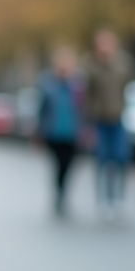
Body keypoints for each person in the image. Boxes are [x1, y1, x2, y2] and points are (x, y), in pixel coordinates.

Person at [85, 28, 132, 221]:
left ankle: (119, 198)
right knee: (102, 160)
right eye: (101, 44)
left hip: (118, 118)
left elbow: (127, 86)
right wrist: (88, 120)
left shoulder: (123, 63)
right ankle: (103, 200)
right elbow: (87, 94)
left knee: (121, 158)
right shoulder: (91, 65)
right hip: (99, 121)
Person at [37, 46, 84, 216]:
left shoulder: (78, 85)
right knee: (58, 165)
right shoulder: (47, 84)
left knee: (69, 166)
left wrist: (86, 129)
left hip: (72, 132)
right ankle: (59, 194)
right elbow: (41, 109)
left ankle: (63, 194)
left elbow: (83, 108)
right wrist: (39, 132)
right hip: (54, 133)